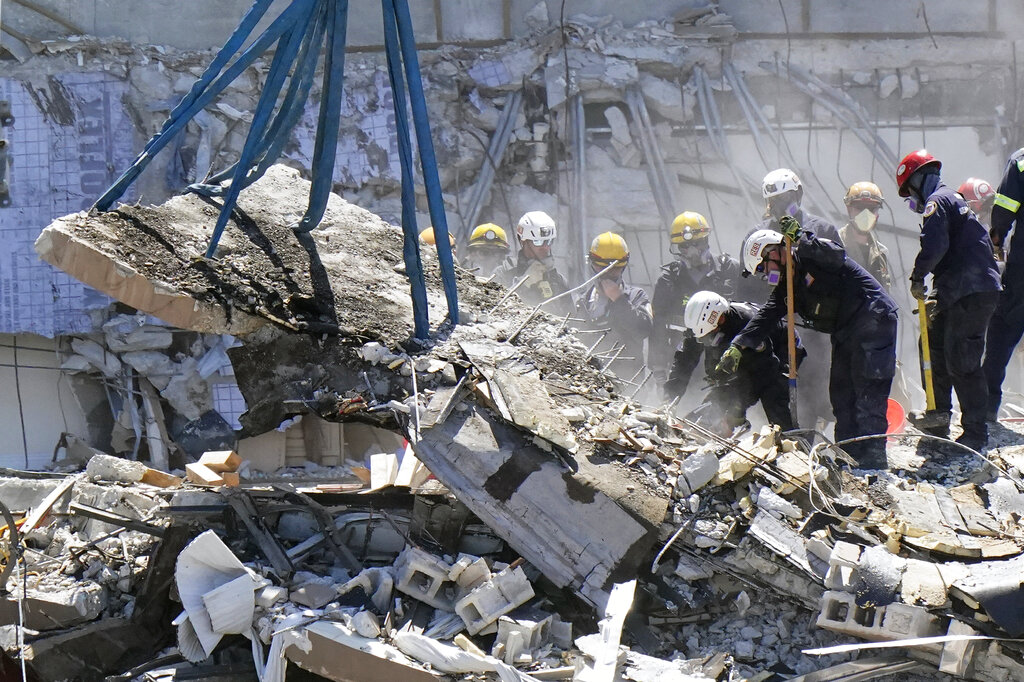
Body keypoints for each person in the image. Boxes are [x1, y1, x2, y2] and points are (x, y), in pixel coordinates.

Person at [726, 219, 898, 467]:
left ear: (774, 251)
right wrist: (739, 345)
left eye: (765, 267)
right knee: (841, 393)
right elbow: (767, 315)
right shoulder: (789, 283)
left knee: (867, 389)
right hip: (845, 329)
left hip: (873, 317)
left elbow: (836, 256)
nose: (767, 275)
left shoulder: (810, 252)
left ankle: (873, 459)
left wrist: (801, 237)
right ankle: (849, 455)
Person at [898, 149, 1001, 449]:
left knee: (962, 360)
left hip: (971, 292)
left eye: (909, 194)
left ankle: (975, 433)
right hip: (959, 291)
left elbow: (935, 245)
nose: (912, 202)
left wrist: (918, 276)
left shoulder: (937, 202)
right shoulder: (950, 200)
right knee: (932, 342)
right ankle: (939, 415)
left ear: (918, 181)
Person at [742, 169, 843, 430]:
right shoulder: (757, 237)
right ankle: (783, 445)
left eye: (786, 197)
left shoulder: (822, 230)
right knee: (777, 390)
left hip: (815, 332)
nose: (780, 206)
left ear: (798, 194)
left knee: (816, 393)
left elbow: (838, 277)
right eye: (774, 201)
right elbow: (746, 288)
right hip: (776, 328)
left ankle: (812, 444)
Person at [664, 291, 800, 436]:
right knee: (716, 401)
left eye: (709, 336)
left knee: (774, 400)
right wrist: (669, 400)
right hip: (747, 355)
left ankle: (792, 444)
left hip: (782, 352)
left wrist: (737, 410)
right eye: (702, 338)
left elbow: (764, 373)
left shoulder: (746, 324)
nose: (705, 341)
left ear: (721, 318)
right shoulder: (699, 328)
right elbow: (683, 361)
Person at [650, 211, 750, 379]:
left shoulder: (728, 269)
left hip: (724, 356)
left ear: (705, 240)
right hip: (682, 360)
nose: (690, 253)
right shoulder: (669, 279)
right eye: (683, 247)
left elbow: (746, 313)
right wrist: (658, 367)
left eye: (695, 244)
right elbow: (658, 325)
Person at [576, 232, 653, 380]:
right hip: (589, 384)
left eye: (615, 269)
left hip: (628, 383)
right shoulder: (582, 301)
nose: (609, 274)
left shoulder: (636, 296)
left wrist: (618, 300)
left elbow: (643, 330)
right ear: (592, 265)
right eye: (602, 268)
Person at [984, 150, 1024, 422]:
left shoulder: (1021, 161)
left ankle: (985, 411)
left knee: (1001, 335)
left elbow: (1004, 210)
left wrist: (995, 242)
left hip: (1022, 270)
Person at [494, 211, 571, 313]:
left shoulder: (558, 280)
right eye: (537, 242)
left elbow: (574, 320)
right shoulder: (504, 273)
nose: (545, 247)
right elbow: (495, 309)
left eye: (548, 241)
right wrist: (523, 283)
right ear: (523, 241)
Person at [838, 182, 893, 291]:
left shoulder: (881, 253)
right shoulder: (835, 244)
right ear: (849, 209)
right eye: (860, 207)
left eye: (871, 208)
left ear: (877, 214)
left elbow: (884, 294)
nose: (866, 214)